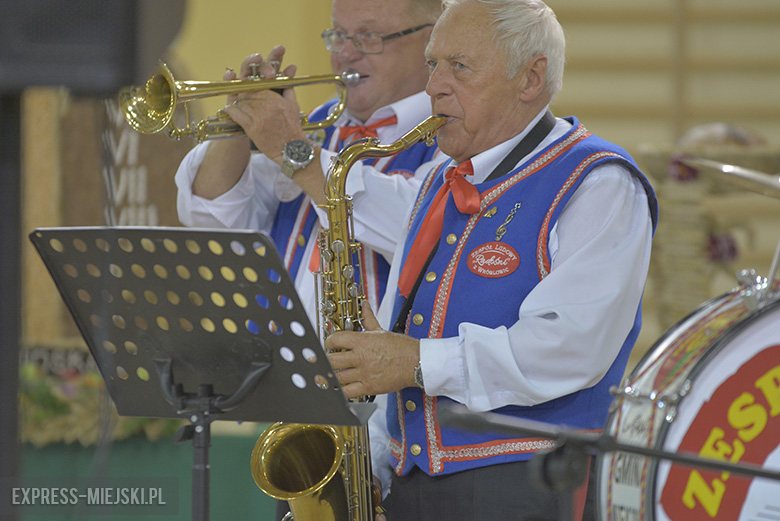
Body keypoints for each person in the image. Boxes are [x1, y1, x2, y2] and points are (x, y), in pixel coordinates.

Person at [324, 0, 659, 520]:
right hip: (414, 487)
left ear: (530, 78)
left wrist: (413, 362)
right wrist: (372, 459)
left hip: (531, 487)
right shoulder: (438, 179)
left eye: (458, 66)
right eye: (433, 63)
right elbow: (397, 333)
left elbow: (569, 347)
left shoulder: (599, 180)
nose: (433, 84)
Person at [175, 0, 444, 329]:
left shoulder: (452, 136)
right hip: (277, 364)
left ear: (432, 42)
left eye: (369, 36)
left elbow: (416, 231)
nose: (345, 53)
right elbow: (209, 215)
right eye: (338, 35)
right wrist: (238, 118)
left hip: (373, 375)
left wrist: (294, 150)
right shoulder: (315, 124)